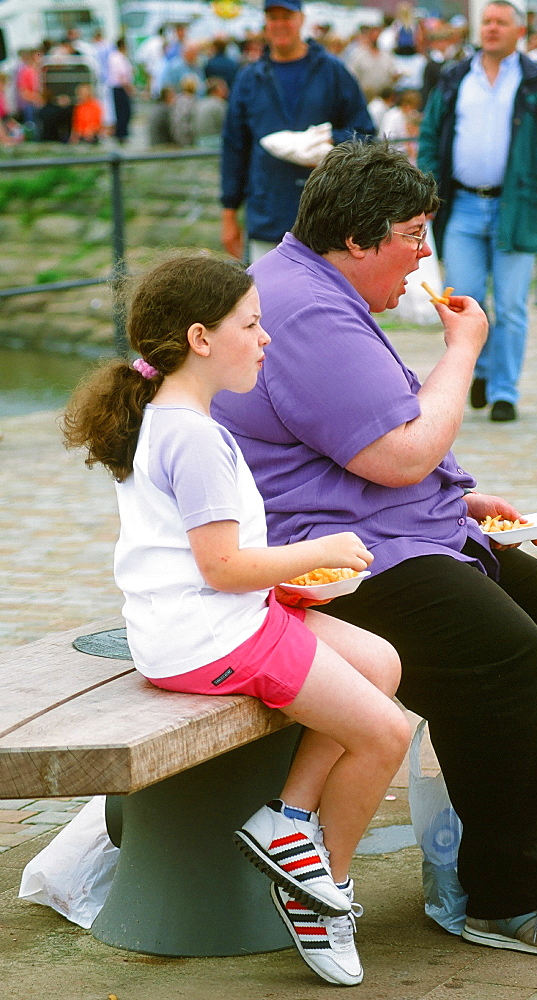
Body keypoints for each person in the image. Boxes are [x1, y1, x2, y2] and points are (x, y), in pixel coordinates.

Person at [213, 140, 537, 961]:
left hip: (355, 531)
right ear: (358, 241)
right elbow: (397, 453)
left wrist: (455, 500)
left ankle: (510, 844)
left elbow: (342, 438)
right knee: (500, 650)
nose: (425, 253)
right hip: (315, 561)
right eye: (414, 233)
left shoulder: (303, 283)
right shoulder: (306, 310)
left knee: (533, 594)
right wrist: (462, 351)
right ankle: (505, 898)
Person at [61, 252, 411, 987]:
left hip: (202, 624)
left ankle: (287, 819)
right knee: (384, 732)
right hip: (212, 638)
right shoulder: (190, 435)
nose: (265, 339)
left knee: (379, 662)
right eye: (250, 325)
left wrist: (294, 586)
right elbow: (221, 565)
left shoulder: (171, 417)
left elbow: (208, 565)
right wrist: (318, 551)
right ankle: (324, 893)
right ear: (199, 338)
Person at [418, 0, 537, 422]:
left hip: (516, 206)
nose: (491, 28)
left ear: (519, 30)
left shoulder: (536, 82)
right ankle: (483, 369)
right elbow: (429, 135)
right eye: (486, 21)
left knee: (511, 303)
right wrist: (427, 192)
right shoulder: (455, 77)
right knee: (465, 296)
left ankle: (504, 391)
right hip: (463, 206)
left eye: (500, 22)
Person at [220, 0, 375, 263]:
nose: (280, 24)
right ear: (265, 23)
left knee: (324, 299)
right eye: (273, 17)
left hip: (326, 217)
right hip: (267, 213)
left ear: (301, 19)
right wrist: (229, 213)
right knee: (265, 299)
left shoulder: (332, 72)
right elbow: (235, 147)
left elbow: (365, 134)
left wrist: (329, 139)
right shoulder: (249, 78)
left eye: (287, 16)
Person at [107, 38, 134, 144]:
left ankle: (121, 132)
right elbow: (122, 75)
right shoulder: (119, 58)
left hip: (117, 87)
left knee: (120, 111)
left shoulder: (114, 57)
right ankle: (122, 133)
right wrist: (128, 88)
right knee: (124, 111)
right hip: (120, 87)